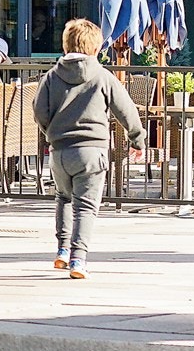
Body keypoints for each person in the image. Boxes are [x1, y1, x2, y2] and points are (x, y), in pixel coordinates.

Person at [34, 18, 147, 279]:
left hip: (60, 151)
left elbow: (39, 111)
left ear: (65, 45)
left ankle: (62, 250)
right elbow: (126, 110)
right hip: (93, 151)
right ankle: (78, 259)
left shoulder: (51, 76)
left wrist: (51, 132)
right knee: (85, 207)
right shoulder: (102, 76)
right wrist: (137, 139)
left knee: (63, 198)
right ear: (96, 49)